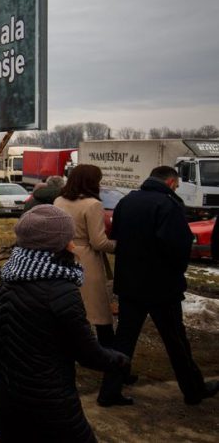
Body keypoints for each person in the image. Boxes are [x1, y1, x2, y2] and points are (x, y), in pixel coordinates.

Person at [0, 205, 130, 442]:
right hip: (50, 400)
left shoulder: (9, 278)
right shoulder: (61, 290)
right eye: (69, 237)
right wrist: (119, 360)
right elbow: (86, 352)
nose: (73, 243)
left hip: (8, 397)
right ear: (60, 244)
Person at [98, 166, 219, 407]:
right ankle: (193, 390)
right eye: (176, 184)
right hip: (161, 287)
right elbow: (178, 246)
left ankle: (109, 392)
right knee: (176, 341)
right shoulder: (168, 205)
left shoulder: (127, 201)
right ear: (171, 182)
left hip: (130, 284)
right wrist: (176, 273)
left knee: (124, 340)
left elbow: (117, 235)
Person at [54, 164, 117, 348]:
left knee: (69, 308)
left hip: (62, 255)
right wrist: (118, 245)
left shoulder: (59, 200)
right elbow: (98, 242)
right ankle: (107, 354)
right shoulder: (93, 204)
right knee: (98, 312)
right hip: (86, 260)